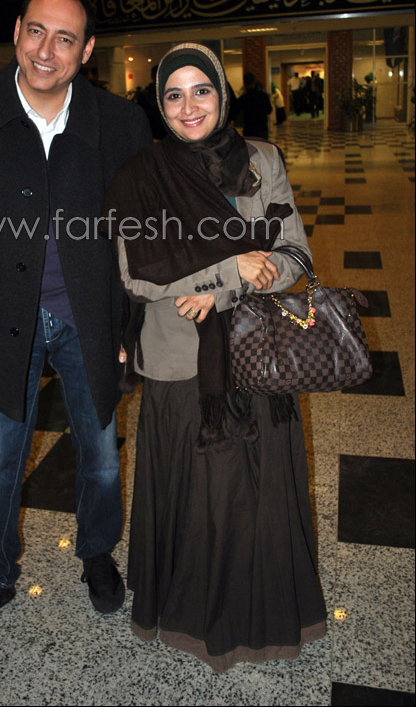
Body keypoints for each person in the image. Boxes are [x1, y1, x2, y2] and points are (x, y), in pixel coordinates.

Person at [0, 0, 151, 648]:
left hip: (89, 317)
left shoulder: (119, 123)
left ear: (87, 50)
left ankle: (96, 553)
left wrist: (130, 329)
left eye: (65, 38)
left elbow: (137, 237)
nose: (47, 49)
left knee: (100, 452)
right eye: (37, 31)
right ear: (17, 30)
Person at [102, 43, 326, 671]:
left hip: (256, 354)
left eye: (201, 90)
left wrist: (223, 287)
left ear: (222, 95)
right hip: (180, 366)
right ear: (160, 104)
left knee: (255, 495)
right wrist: (229, 270)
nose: (189, 106)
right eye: (174, 94)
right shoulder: (140, 175)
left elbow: (295, 256)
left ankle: (263, 616)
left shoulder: (262, 160)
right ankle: (192, 617)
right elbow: (138, 273)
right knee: (198, 499)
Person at [230, 71, 272, 139]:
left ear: (244, 84)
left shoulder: (243, 98)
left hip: (249, 131)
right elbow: (269, 110)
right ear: (254, 82)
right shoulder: (263, 96)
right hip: (262, 130)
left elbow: (234, 112)